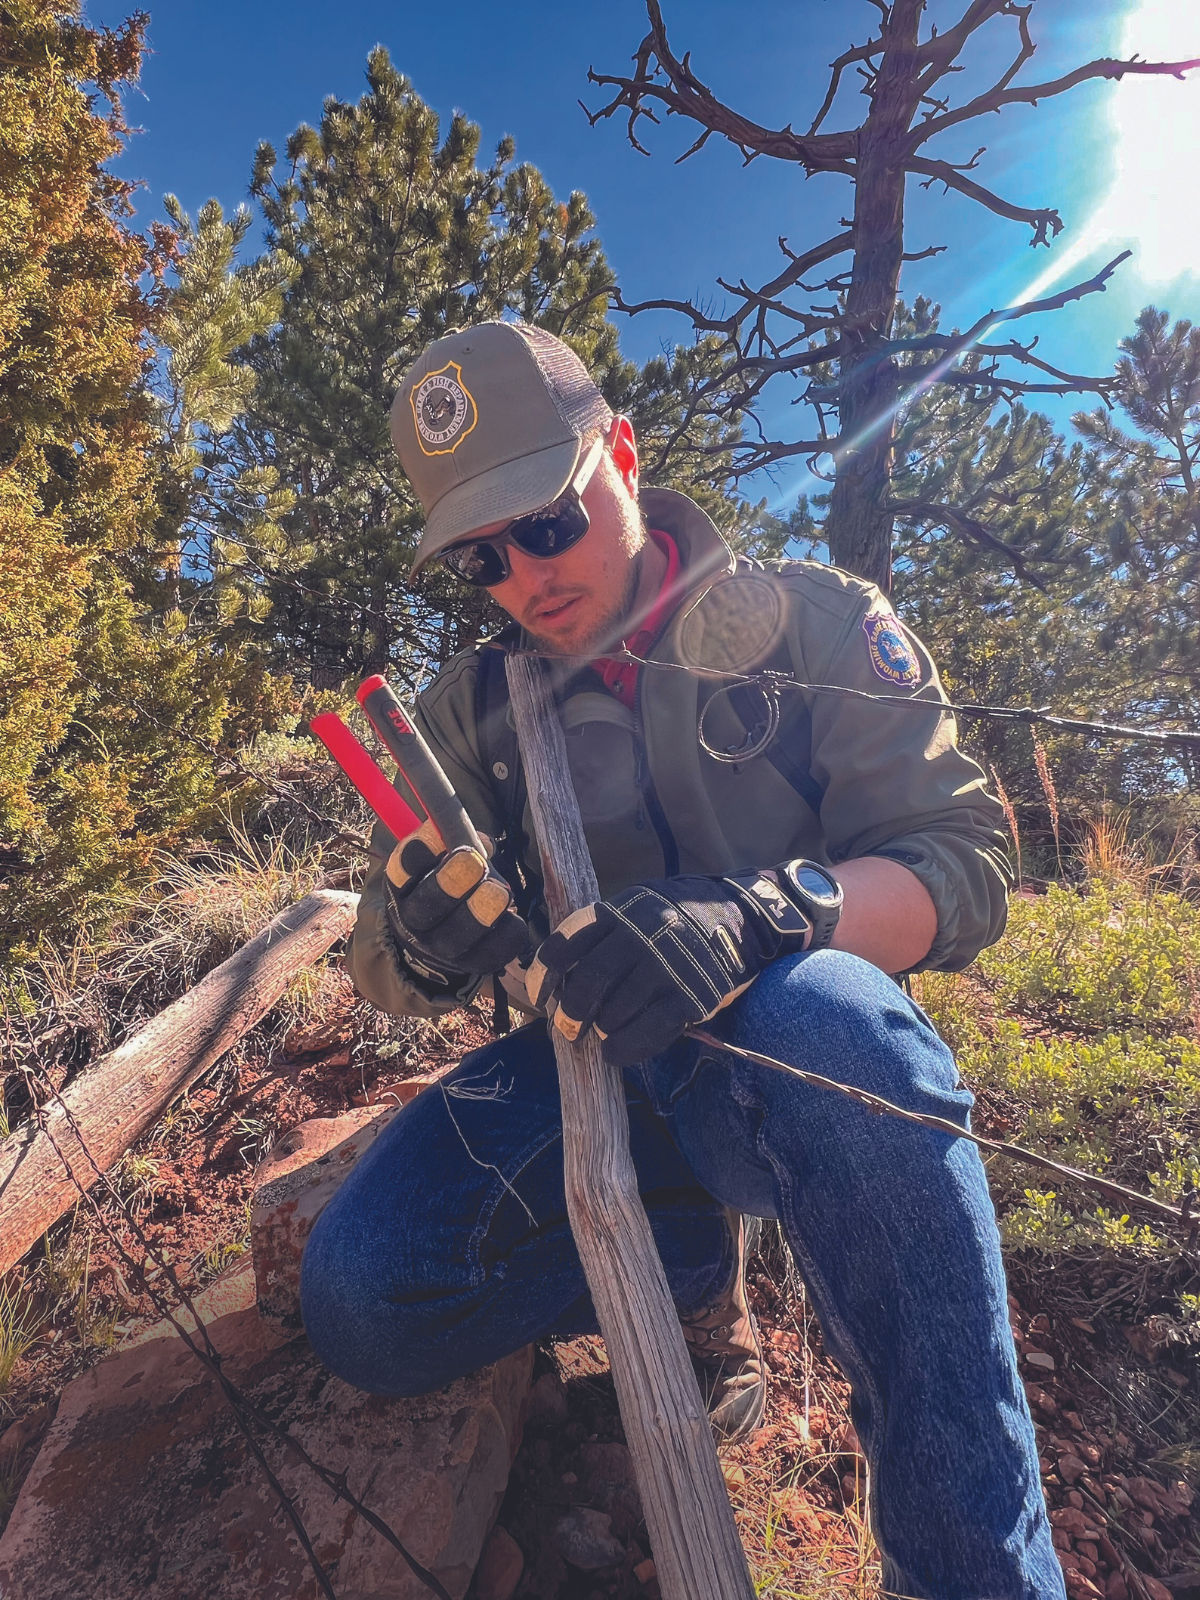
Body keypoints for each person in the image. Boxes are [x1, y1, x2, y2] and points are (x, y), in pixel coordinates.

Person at [300, 320, 1064, 1600]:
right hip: (577, 1071)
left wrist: (772, 913)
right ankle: (697, 1264)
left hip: (788, 1063)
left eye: (549, 518)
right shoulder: (469, 714)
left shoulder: (813, 625)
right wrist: (421, 944)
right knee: (366, 1298)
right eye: (483, 554)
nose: (528, 576)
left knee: (836, 1024)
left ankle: (973, 1571)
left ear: (625, 454)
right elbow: (380, 952)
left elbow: (966, 862)